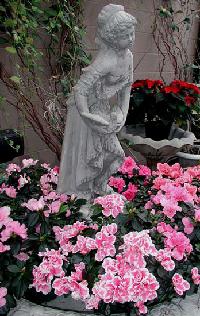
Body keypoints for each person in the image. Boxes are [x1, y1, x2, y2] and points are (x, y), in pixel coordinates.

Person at [57, 4, 136, 199]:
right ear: (113, 38)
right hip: (84, 108)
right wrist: (87, 115)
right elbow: (81, 90)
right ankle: (82, 191)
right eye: (125, 36)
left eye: (132, 34)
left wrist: (123, 114)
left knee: (114, 153)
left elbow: (126, 88)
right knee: (88, 154)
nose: (131, 39)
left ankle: (99, 185)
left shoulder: (128, 57)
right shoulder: (105, 60)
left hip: (101, 107)